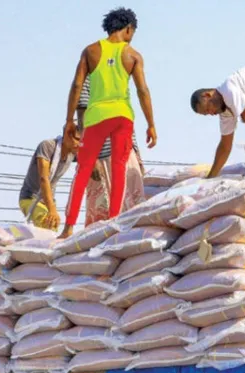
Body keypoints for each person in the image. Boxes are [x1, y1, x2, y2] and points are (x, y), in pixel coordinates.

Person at [60, 7, 157, 239]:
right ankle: (114, 221)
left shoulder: (91, 51)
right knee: (119, 168)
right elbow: (143, 91)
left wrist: (68, 121)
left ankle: (68, 227)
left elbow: (76, 85)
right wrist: (151, 124)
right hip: (123, 117)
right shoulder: (133, 55)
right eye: (132, 31)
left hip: (96, 117)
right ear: (128, 28)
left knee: (83, 170)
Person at [77, 78, 146, 227]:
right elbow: (83, 122)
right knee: (103, 218)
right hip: (102, 158)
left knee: (133, 213)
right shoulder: (88, 81)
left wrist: (138, 157)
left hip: (126, 155)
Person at [19, 127, 80, 230]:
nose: (80, 144)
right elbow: (44, 178)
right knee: (47, 223)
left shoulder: (72, 153)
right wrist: (52, 210)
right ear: (66, 135)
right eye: (77, 139)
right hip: (31, 198)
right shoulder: (48, 146)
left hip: (48, 202)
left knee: (53, 227)